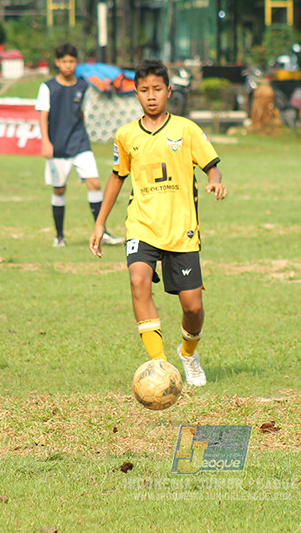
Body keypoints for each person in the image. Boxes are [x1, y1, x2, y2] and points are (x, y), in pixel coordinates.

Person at [89, 59, 227, 387]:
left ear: (169, 91)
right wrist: (99, 223)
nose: (151, 96)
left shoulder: (186, 129)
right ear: (135, 94)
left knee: (193, 308)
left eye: (157, 90)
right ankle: (160, 366)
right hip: (142, 225)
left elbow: (212, 165)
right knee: (138, 280)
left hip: (181, 228)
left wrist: (215, 180)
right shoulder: (126, 136)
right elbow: (116, 177)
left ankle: (188, 354)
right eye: (143, 91)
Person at [36, 44, 123, 247]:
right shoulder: (48, 87)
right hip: (57, 145)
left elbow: (82, 114)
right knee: (59, 190)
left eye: (72, 61)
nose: (68, 65)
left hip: (80, 143)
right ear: (58, 63)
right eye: (64, 61)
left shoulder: (83, 86)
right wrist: (45, 142)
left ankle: (103, 231)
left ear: (77, 63)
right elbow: (43, 116)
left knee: (95, 183)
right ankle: (59, 236)